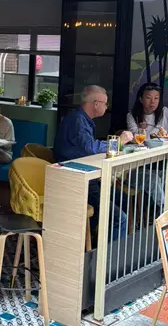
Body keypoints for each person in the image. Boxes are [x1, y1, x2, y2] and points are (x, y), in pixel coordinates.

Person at [54, 85, 133, 237]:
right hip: (76, 180)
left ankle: (95, 235)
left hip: (86, 176)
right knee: (120, 219)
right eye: (105, 103)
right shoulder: (78, 121)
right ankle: (107, 250)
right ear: (96, 104)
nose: (106, 107)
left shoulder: (81, 119)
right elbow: (90, 147)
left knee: (123, 199)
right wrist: (119, 142)